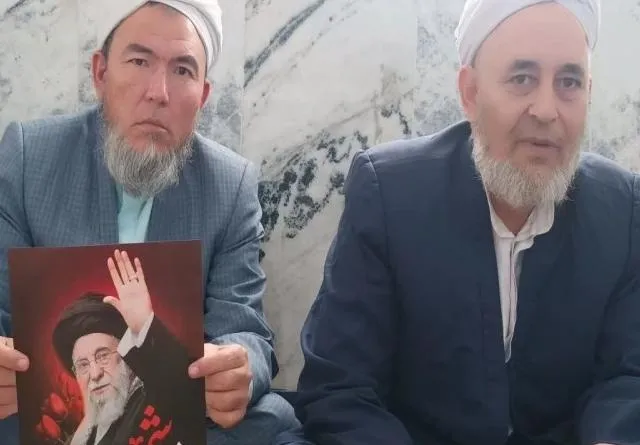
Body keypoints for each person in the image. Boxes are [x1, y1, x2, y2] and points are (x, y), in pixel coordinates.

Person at [277, 1, 640, 444]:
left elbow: (629, 376)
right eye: (522, 78)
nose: (547, 110)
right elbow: (340, 388)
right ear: (470, 93)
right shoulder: (390, 193)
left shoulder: (622, 207)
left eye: (569, 82)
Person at [0, 1, 298, 444]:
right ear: (100, 73)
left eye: (182, 70)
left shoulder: (229, 184)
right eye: (139, 62)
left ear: (203, 96)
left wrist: (239, 368)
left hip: (173, 416)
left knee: (272, 420)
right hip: (62, 423)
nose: (159, 92)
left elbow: (244, 326)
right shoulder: (30, 159)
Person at [52, 250, 203, 445]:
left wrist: (143, 326)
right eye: (83, 365)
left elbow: (187, 393)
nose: (95, 374)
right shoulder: (85, 432)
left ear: (125, 354)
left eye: (103, 356)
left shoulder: (154, 398)